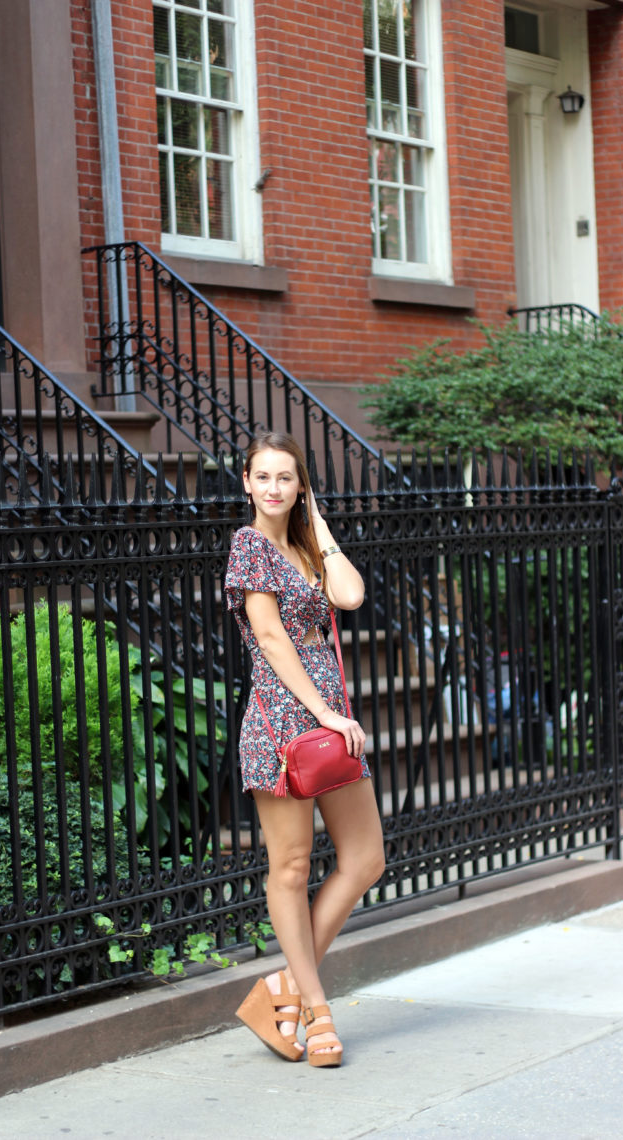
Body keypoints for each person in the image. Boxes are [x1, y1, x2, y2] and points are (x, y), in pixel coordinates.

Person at [225, 431, 385, 1068]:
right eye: (262, 477)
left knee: (365, 859)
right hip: (282, 720)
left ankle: (281, 989)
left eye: (285, 478)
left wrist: (319, 524)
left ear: (300, 485)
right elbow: (268, 635)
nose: (273, 488)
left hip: (329, 721)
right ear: (246, 482)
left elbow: (349, 595)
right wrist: (325, 712)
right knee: (290, 870)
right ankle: (317, 1010)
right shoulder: (248, 547)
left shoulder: (303, 544)